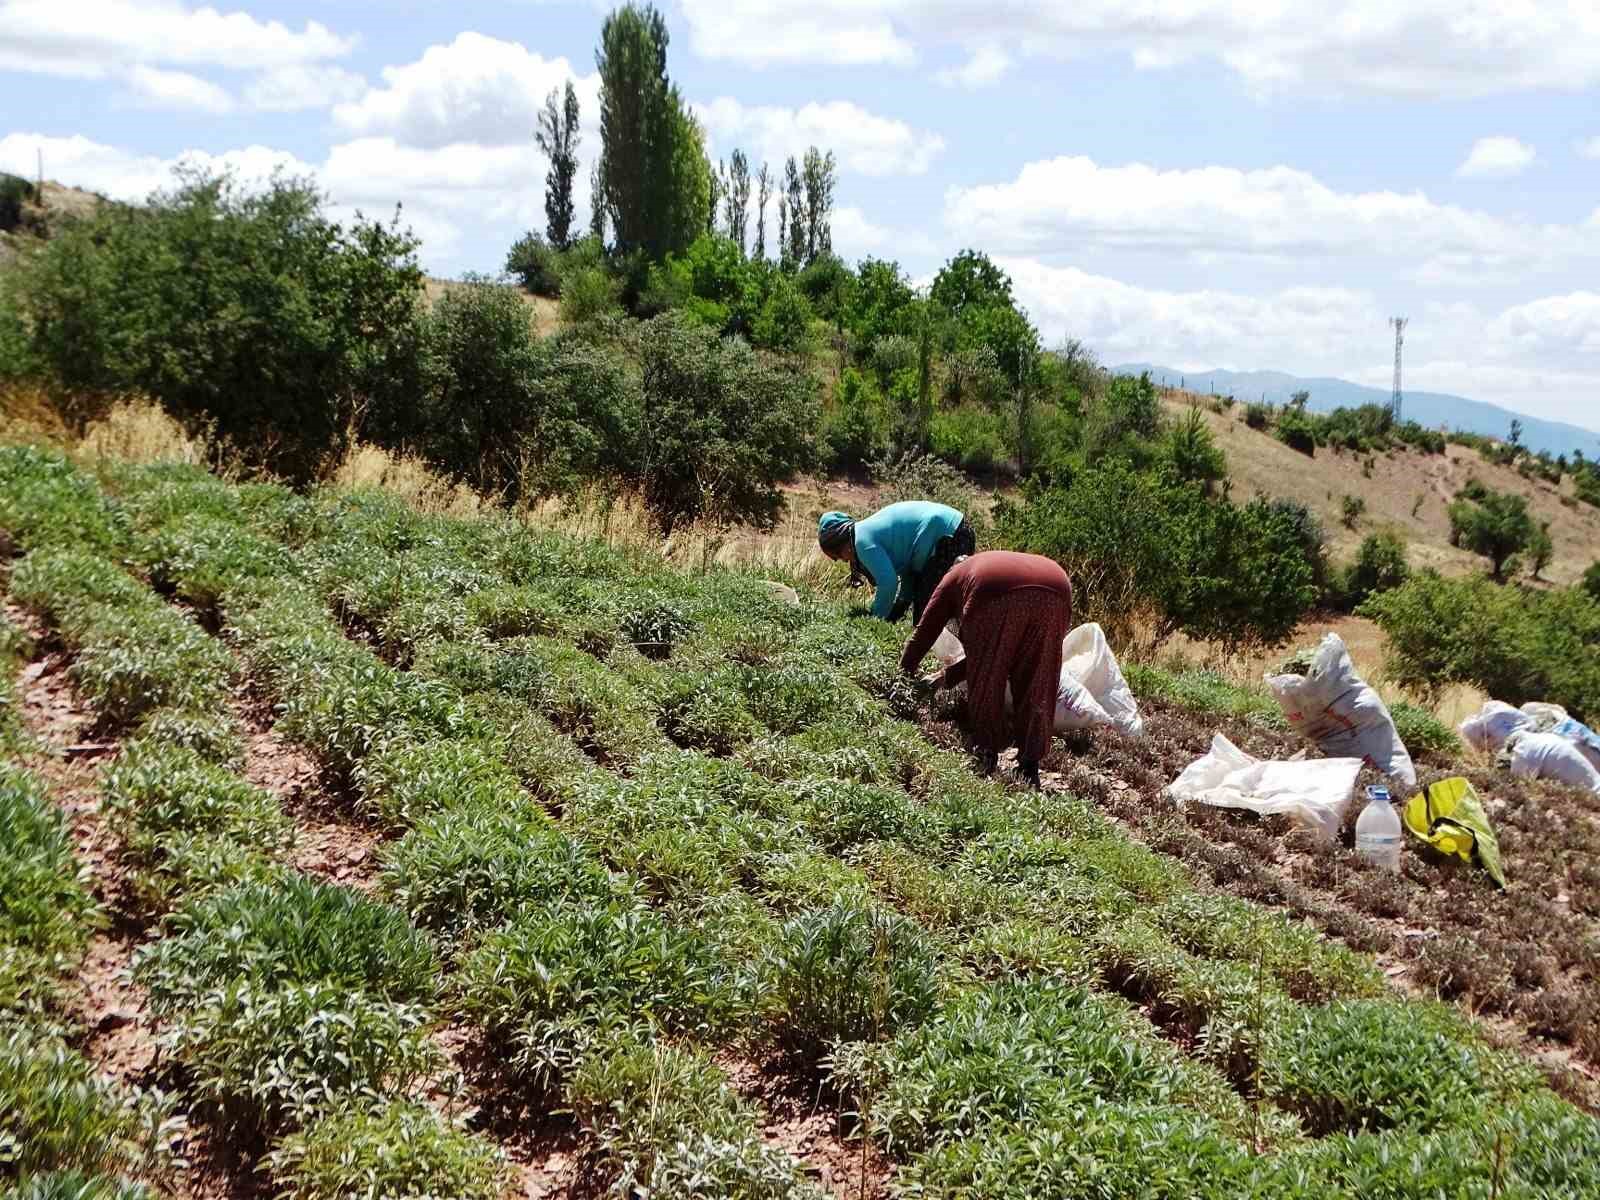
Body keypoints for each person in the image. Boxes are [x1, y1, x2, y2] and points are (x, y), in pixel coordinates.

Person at [899, 550, 1072, 788]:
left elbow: (924, 635)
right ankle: (1030, 766)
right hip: (1057, 588)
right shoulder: (982, 565)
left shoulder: (952, 580)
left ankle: (986, 752)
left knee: (987, 677)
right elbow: (1000, 651)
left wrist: (903, 676)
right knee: (1038, 677)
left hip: (993, 592)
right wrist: (943, 677)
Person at [817, 501, 974, 623]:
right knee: (927, 612)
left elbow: (888, 583)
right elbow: (908, 571)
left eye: (837, 555)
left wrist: (874, 621)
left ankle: (947, 657)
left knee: (930, 612)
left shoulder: (861, 541)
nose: (843, 560)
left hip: (948, 536)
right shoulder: (867, 533)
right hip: (956, 530)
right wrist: (901, 605)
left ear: (841, 542)